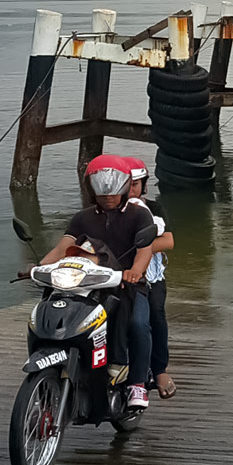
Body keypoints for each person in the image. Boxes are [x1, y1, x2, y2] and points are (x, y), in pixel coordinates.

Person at [39, 154, 156, 410]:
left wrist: (135, 271)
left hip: (127, 286)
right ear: (91, 188)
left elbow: (145, 249)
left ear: (125, 186)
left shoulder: (139, 216)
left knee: (137, 324)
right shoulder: (83, 218)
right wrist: (40, 267)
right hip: (90, 285)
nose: (108, 195)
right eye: (102, 189)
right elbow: (64, 247)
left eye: (114, 189)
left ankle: (137, 383)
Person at [124, 157, 177, 401]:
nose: (130, 190)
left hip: (151, 277)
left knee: (155, 314)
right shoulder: (111, 211)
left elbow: (168, 241)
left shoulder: (153, 209)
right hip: (117, 274)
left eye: (135, 184)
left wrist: (139, 245)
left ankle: (159, 370)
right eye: (125, 184)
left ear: (144, 185)